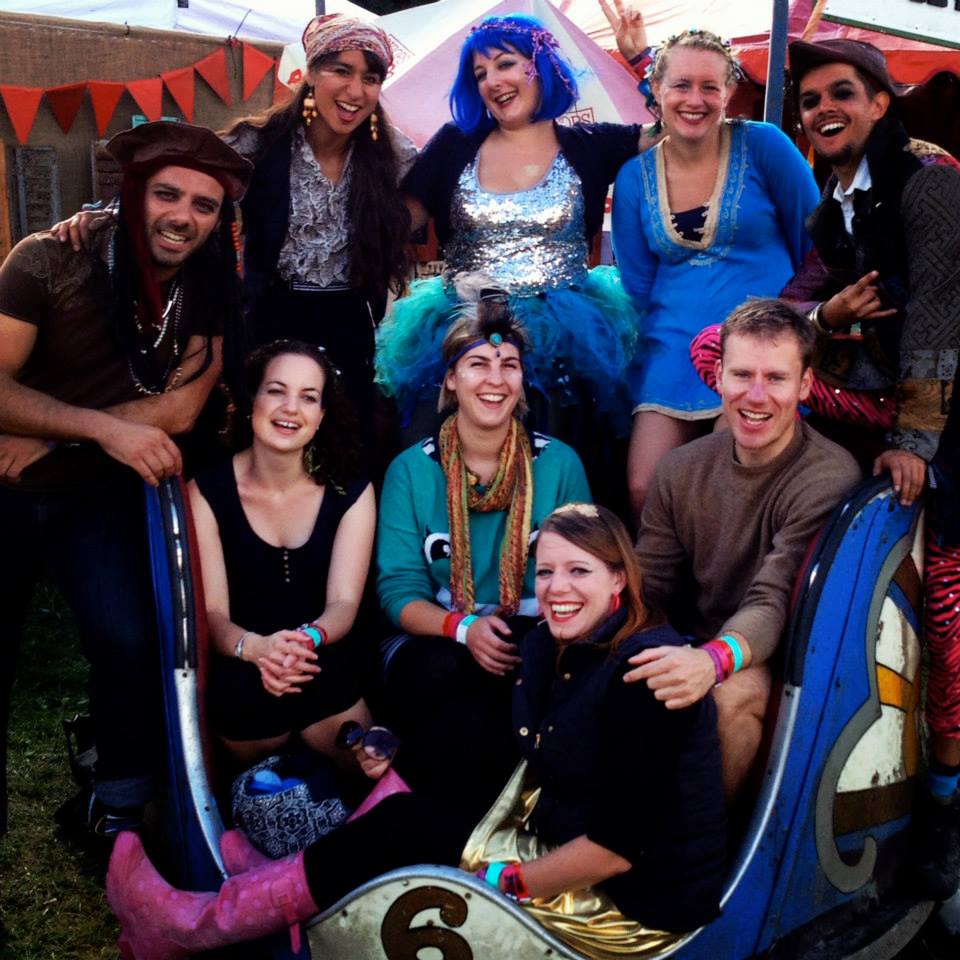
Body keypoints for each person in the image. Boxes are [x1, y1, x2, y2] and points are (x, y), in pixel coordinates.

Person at [105, 502, 726, 959]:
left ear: (620, 579)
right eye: (545, 573)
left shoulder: (649, 677)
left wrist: (499, 881)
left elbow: (618, 849)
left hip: (628, 903)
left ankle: (193, 928)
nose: (557, 590)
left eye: (579, 572)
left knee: (411, 827)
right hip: (570, 831)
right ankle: (286, 877)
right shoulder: (564, 642)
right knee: (464, 731)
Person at [0, 121, 252, 836]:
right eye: (168, 195)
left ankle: (116, 804)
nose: (184, 216)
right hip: (6, 486)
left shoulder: (206, 287)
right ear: (134, 194)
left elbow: (181, 408)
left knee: (128, 641)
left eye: (204, 205)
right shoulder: (48, 259)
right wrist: (106, 427)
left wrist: (63, 434)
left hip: (94, 493)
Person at [778, 38, 960, 900]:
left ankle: (947, 811)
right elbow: (781, 313)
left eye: (841, 93)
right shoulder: (833, 204)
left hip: (948, 416)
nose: (824, 110)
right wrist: (827, 317)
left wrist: (916, 444)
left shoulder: (930, 179)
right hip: (882, 406)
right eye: (811, 99)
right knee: (721, 350)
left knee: (950, 625)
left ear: (881, 102)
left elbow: (939, 320)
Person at [55, 14, 415, 444]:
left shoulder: (393, 154)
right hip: (269, 316)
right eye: (342, 71)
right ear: (312, 73)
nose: (355, 91)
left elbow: (447, 188)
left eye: (370, 78)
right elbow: (186, 176)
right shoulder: (259, 142)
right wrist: (105, 215)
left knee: (344, 442)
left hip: (350, 323)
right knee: (265, 438)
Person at [374, 11, 654, 456]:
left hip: (567, 341)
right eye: (480, 73)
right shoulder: (454, 144)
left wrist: (642, 60)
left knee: (558, 457)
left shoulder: (592, 144)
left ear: (540, 66)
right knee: (434, 453)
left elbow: (679, 123)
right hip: (462, 329)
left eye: (505, 63)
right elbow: (390, 225)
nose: (492, 81)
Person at [627, 300, 861, 798]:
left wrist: (710, 662)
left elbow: (774, 598)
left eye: (776, 378)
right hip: (700, 640)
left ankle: (712, 841)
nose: (756, 396)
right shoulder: (680, 469)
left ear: (805, 385)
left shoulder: (827, 475)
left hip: (788, 659)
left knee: (731, 699)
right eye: (742, 375)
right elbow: (651, 585)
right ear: (717, 377)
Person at [376, 285, 590, 798]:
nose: (496, 380)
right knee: (446, 673)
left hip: (540, 631)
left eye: (509, 365)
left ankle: (403, 804)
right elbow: (399, 592)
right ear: (451, 378)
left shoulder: (560, 464)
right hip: (441, 635)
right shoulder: (410, 470)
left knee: (528, 672)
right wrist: (464, 628)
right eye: (478, 364)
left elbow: (586, 576)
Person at [611, 27, 820, 525]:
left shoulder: (765, 145)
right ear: (656, 90)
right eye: (681, 85)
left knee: (731, 486)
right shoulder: (633, 177)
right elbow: (637, 283)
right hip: (671, 348)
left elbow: (815, 243)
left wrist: (793, 321)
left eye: (710, 86)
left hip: (761, 347)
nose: (695, 100)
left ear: (729, 92)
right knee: (645, 487)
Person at [187, 340, 375, 770]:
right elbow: (213, 613)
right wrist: (258, 649)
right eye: (276, 390)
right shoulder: (207, 491)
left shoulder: (351, 490)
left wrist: (303, 643)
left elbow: (344, 603)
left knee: (335, 698)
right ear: (251, 399)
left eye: (308, 397)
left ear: (321, 415)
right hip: (243, 658)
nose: (291, 408)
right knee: (243, 696)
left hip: (323, 649)